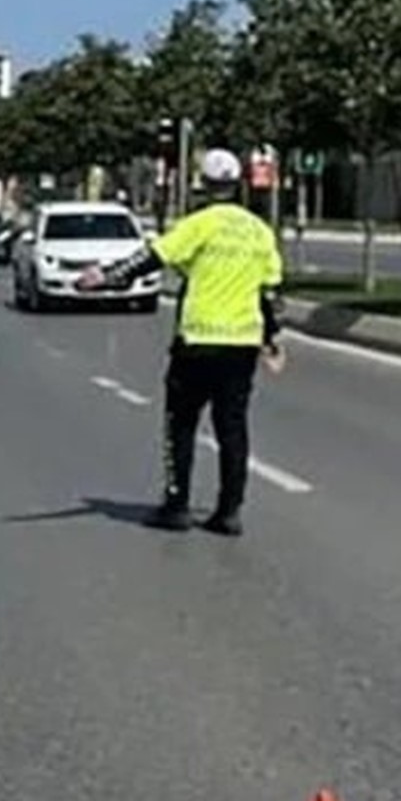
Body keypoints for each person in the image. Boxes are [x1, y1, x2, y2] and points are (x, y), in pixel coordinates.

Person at [78, 148, 285, 536]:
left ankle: (176, 505)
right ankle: (229, 512)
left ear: (203, 185)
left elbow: (152, 257)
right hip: (242, 344)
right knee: (233, 428)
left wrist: (106, 277)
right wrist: (272, 338)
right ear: (238, 183)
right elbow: (270, 292)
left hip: (198, 341)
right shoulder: (259, 232)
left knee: (181, 424)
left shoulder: (200, 224)